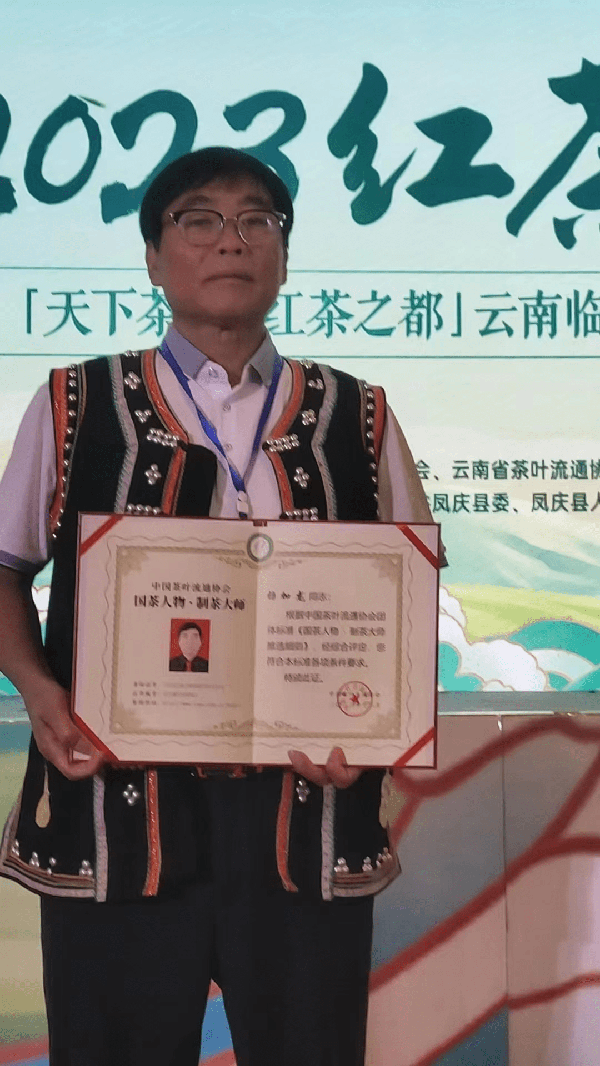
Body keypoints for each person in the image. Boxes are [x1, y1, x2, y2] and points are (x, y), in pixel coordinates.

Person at [0, 147, 436, 1066]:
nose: (230, 240)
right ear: (154, 258)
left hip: (305, 812)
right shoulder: (76, 402)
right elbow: (3, 569)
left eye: (255, 221)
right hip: (117, 809)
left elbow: (404, 589)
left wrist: (371, 727)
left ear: (283, 254)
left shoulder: (358, 415)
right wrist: (40, 693)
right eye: (198, 219)